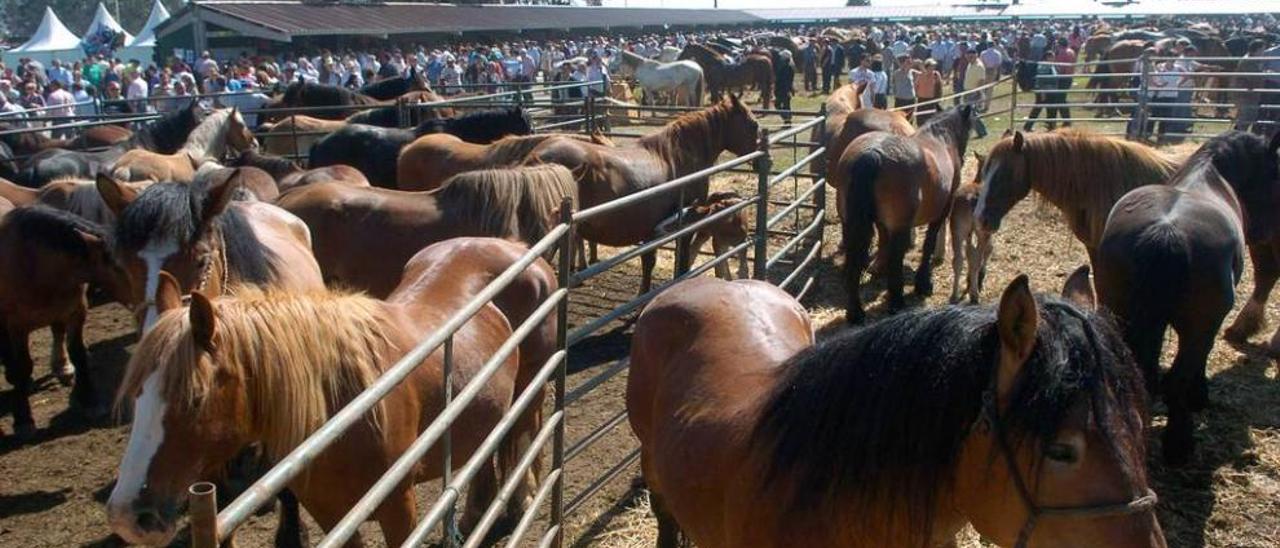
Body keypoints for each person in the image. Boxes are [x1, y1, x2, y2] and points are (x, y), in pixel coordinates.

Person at [1024, 50, 1066, 132]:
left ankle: (1051, 126)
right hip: (1044, 91)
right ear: (1047, 57)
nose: (1054, 58)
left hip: (1052, 91)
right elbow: (1041, 79)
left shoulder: (1051, 66)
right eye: (1052, 57)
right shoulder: (1044, 66)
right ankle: (1028, 126)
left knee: (1051, 109)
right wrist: (1042, 92)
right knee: (1037, 109)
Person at [1235, 40, 1268, 134]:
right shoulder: (1248, 61)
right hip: (1246, 94)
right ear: (1256, 50)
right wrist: (1265, 74)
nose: (1263, 52)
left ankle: (1239, 136)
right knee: (1246, 118)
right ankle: (1238, 138)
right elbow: (1254, 77)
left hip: (1250, 93)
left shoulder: (1252, 60)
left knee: (1248, 118)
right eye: (1262, 50)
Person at [961, 50, 989, 137]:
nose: (969, 59)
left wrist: (978, 92)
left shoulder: (979, 66)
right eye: (968, 57)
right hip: (967, 91)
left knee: (972, 113)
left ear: (976, 56)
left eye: (971, 57)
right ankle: (978, 131)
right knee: (970, 113)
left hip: (974, 92)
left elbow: (981, 80)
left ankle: (982, 131)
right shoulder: (970, 65)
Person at [914, 58, 943, 125]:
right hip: (921, 100)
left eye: (934, 66)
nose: (933, 68)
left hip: (931, 100)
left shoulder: (936, 74)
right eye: (931, 66)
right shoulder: (920, 75)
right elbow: (916, 86)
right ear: (926, 66)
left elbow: (939, 86)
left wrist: (939, 96)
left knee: (931, 119)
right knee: (920, 119)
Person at [775, 50, 795, 126]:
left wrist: (787, 90)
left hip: (782, 89)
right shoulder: (787, 66)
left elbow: (785, 80)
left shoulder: (786, 67)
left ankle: (787, 119)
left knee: (779, 105)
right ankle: (787, 119)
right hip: (784, 89)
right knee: (786, 105)